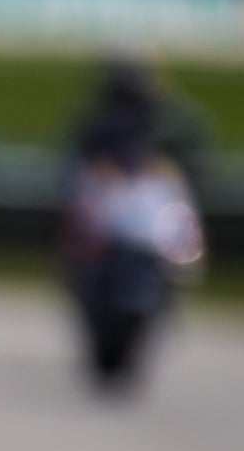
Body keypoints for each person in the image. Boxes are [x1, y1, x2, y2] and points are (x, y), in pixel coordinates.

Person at [59, 54, 208, 400]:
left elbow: (195, 166)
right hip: (111, 209)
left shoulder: (172, 121)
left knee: (179, 256)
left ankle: (166, 291)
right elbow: (73, 171)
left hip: (148, 210)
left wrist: (172, 172)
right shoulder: (95, 123)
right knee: (79, 247)